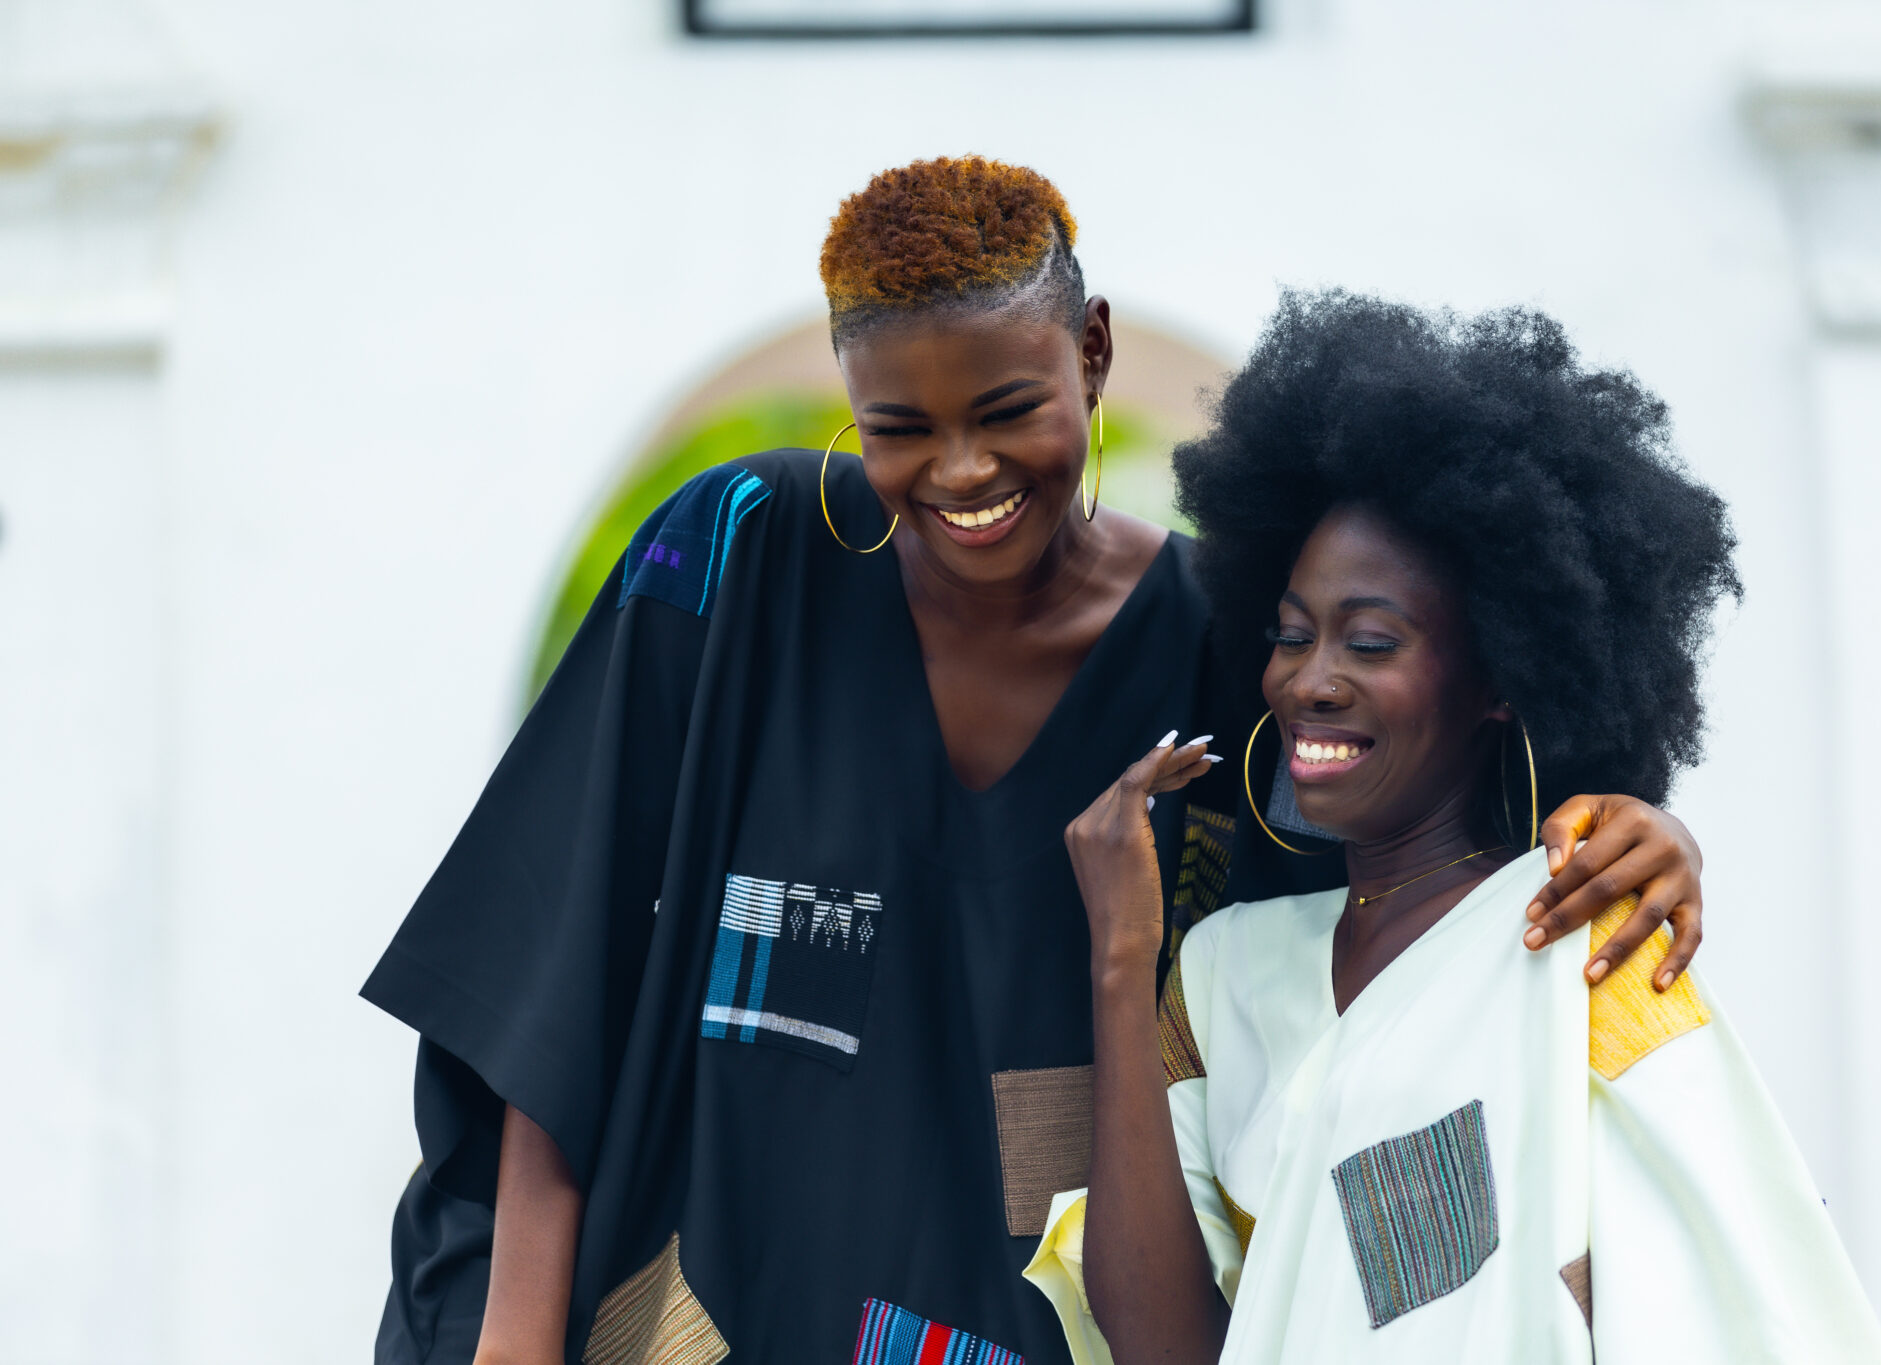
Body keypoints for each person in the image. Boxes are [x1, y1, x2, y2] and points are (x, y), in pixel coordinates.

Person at [363, 161, 1711, 1365]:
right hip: (697, 1312)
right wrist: (514, 1337)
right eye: (898, 427)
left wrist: (1623, 825)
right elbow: (556, 958)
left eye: (1007, 408)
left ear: (1094, 350)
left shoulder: (1225, 648)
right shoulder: (740, 558)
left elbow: (1417, 883)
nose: (960, 470)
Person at [1042, 292, 1881, 1364]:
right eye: (1292, 636)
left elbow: (1740, 1307)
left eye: (1369, 642)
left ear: (1499, 675)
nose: (1309, 681)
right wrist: (1123, 958)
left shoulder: (1580, 941)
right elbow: (1159, 1344)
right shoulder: (1220, 977)